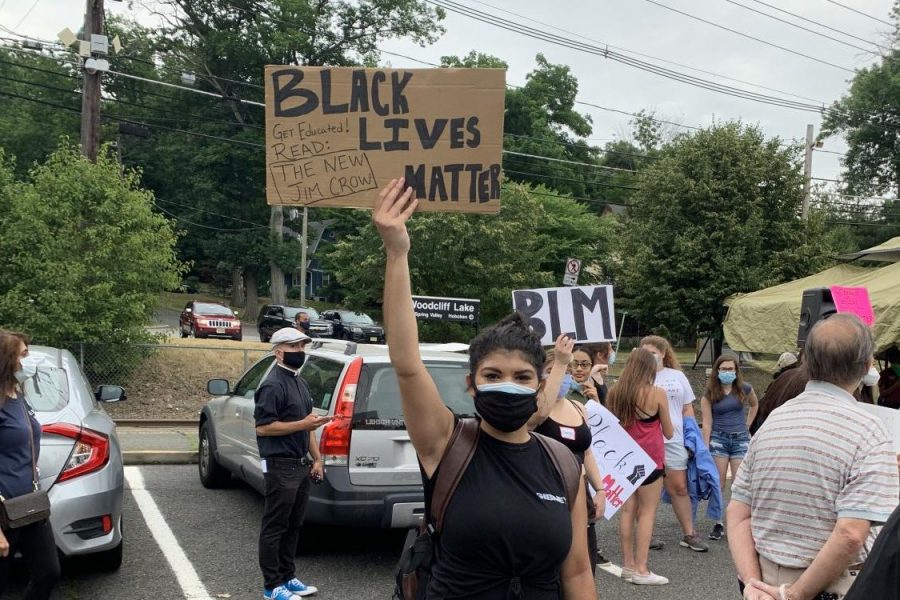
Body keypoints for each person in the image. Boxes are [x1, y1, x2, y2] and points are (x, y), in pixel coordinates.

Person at [374, 178, 596, 600]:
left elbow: (579, 573)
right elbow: (406, 364)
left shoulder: (565, 464)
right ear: (471, 385)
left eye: (522, 377)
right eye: (492, 376)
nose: (508, 386)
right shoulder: (446, 443)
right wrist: (397, 252)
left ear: (540, 385)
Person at [728, 313, 900, 600]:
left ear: (806, 361)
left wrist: (752, 583)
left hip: (763, 579)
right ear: (868, 366)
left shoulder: (775, 420)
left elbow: (738, 511)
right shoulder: (870, 431)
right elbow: (851, 534)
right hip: (831, 586)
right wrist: (794, 594)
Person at [254, 327, 332, 600]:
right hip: (280, 465)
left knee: (294, 524)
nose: (300, 352)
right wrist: (302, 424)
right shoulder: (272, 384)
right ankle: (271, 586)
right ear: (278, 352)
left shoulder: (300, 382)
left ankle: (288, 577)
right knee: (275, 525)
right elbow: (263, 428)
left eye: (302, 347)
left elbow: (308, 425)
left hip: (300, 464)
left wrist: (318, 459)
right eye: (294, 348)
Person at [532, 338, 606, 577]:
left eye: (565, 371)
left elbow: (587, 452)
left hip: (580, 492)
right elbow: (537, 419)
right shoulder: (536, 409)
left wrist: (600, 490)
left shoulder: (578, 407)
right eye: (554, 372)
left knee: (584, 564)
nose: (562, 377)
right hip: (547, 492)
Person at [0, 329, 60, 600]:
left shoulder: (18, 397)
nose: (30, 360)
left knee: (48, 573)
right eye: (24, 354)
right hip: (2, 513)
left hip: (29, 506)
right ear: (6, 360)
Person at [607, 348, 674, 585]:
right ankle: (642, 569)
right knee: (647, 512)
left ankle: (628, 565)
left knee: (627, 511)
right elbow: (668, 431)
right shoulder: (657, 393)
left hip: (624, 458)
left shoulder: (616, 392)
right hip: (651, 460)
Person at [640, 335, 708, 552]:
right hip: (646, 439)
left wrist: (691, 435)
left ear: (662, 353)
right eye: (645, 353)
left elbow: (687, 407)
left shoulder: (677, 376)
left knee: (679, 486)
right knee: (646, 489)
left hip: (674, 438)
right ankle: (645, 533)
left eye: (653, 352)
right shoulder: (637, 378)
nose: (650, 357)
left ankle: (689, 533)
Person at [700, 354, 758, 541]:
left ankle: (739, 522)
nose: (727, 372)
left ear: (736, 371)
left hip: (740, 438)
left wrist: (747, 426)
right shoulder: (710, 393)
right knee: (718, 483)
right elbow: (706, 423)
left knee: (740, 483)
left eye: (730, 369)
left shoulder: (744, 388)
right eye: (724, 369)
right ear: (717, 371)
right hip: (719, 439)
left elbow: (755, 405)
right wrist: (704, 447)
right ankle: (718, 522)